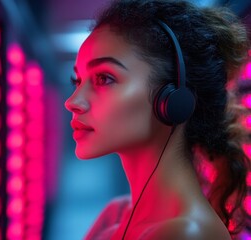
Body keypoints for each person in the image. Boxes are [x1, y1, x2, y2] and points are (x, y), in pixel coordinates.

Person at [64, 0, 250, 239]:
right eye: (77, 81)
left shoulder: (187, 234)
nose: (72, 101)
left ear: (173, 100)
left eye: (104, 78)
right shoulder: (116, 214)